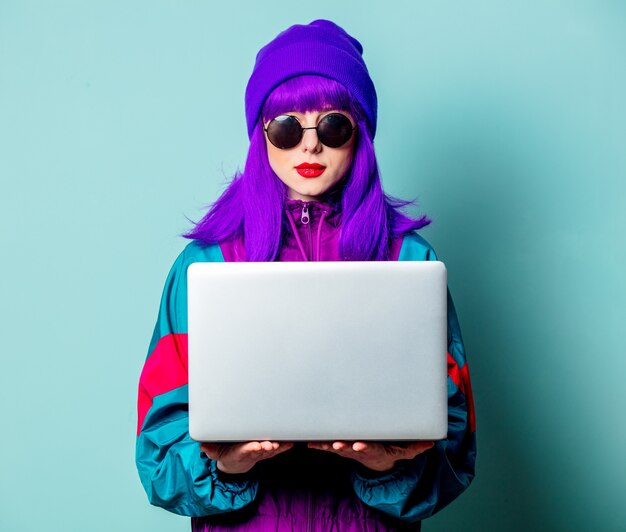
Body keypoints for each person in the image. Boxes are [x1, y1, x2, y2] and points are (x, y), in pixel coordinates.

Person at [135, 19, 476, 531]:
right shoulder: (207, 264)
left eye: (333, 126)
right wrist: (227, 465)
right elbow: (158, 456)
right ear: (263, 136)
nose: (309, 147)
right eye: (287, 128)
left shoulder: (409, 259)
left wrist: (389, 465)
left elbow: (456, 447)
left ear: (359, 135)